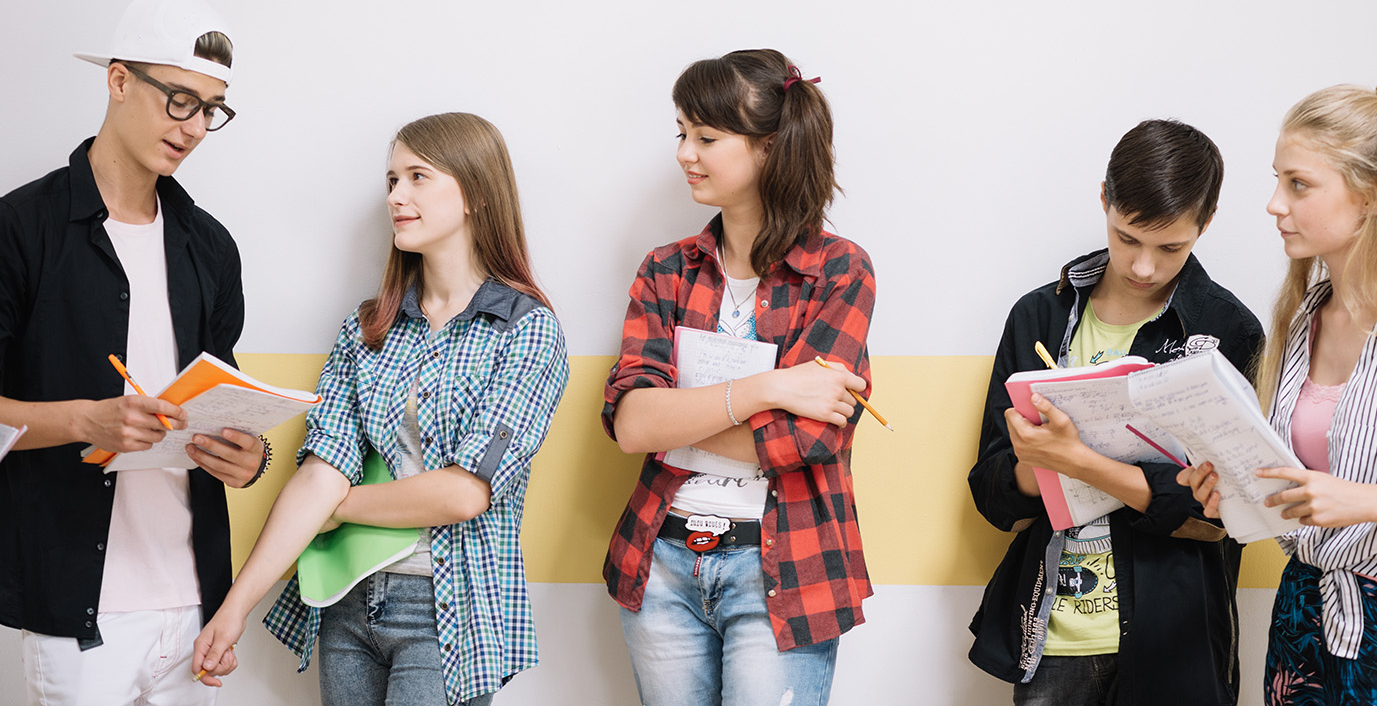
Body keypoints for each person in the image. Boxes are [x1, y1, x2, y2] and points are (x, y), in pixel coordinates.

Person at [192, 113, 569, 706]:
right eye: (392, 180)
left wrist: (336, 508)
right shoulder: (368, 328)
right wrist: (233, 610)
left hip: (447, 611)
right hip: (347, 601)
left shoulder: (525, 331)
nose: (396, 196)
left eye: (418, 177)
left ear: (475, 194)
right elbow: (321, 468)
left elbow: (464, 494)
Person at [1181, 69, 1377, 706]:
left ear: (1373, 195)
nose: (1275, 203)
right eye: (1278, 179)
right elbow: (1300, 489)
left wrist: (1359, 501)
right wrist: (1232, 488)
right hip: (1301, 616)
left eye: (1298, 184)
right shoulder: (1304, 316)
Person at [0, 0, 267, 705]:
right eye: (179, 99)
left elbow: (223, 402)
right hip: (78, 618)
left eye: (211, 108)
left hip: (195, 609)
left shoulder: (210, 246)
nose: (195, 127)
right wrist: (87, 421)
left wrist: (250, 455)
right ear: (119, 81)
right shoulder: (21, 228)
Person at [601, 50, 875, 706]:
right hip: (660, 559)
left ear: (769, 148)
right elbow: (631, 422)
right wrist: (769, 388)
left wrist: (678, 418)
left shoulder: (840, 271)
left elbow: (807, 441)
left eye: (706, 136)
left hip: (784, 567)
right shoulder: (665, 270)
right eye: (682, 132)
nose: (684, 152)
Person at [968, 119, 1264, 706]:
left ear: (1205, 223)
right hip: (1051, 637)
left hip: (1174, 639)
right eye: (1127, 237)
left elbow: (1224, 513)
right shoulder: (1038, 317)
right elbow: (990, 492)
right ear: (1104, 199)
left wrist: (1076, 459)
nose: (1145, 267)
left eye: (1171, 247)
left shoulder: (1227, 330)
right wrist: (1035, 461)